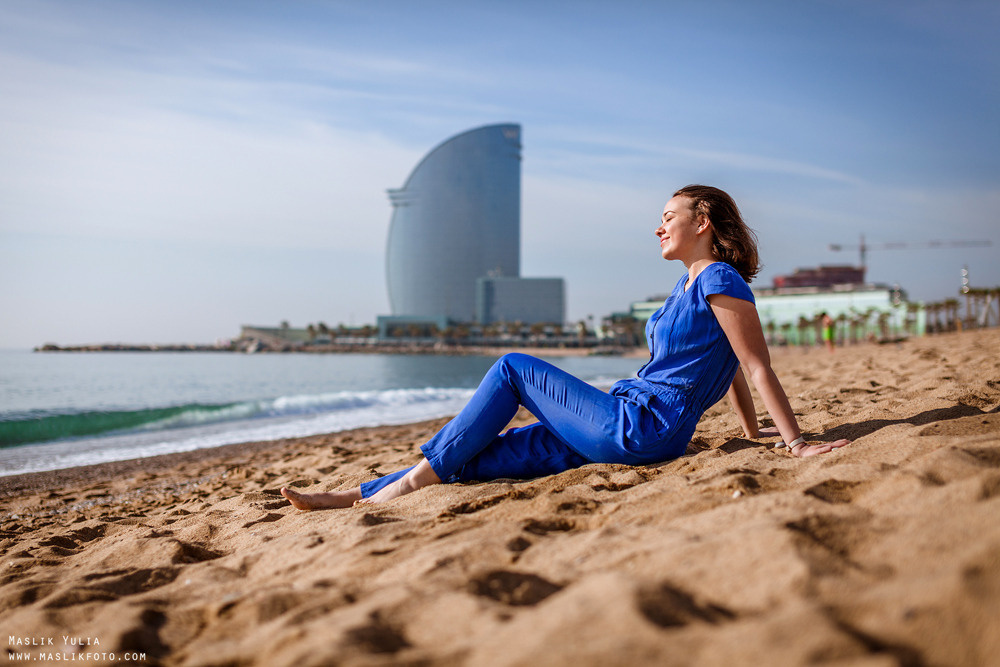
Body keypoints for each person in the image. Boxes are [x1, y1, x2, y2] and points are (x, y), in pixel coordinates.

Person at [281, 185, 850, 510]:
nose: (659, 227)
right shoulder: (688, 285)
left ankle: (403, 485)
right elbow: (723, 367)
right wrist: (750, 434)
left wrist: (795, 444)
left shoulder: (718, 279)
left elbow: (752, 364)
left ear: (703, 220)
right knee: (489, 454)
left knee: (511, 368)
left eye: (668, 217)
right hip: (628, 421)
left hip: (639, 424)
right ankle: (356, 495)